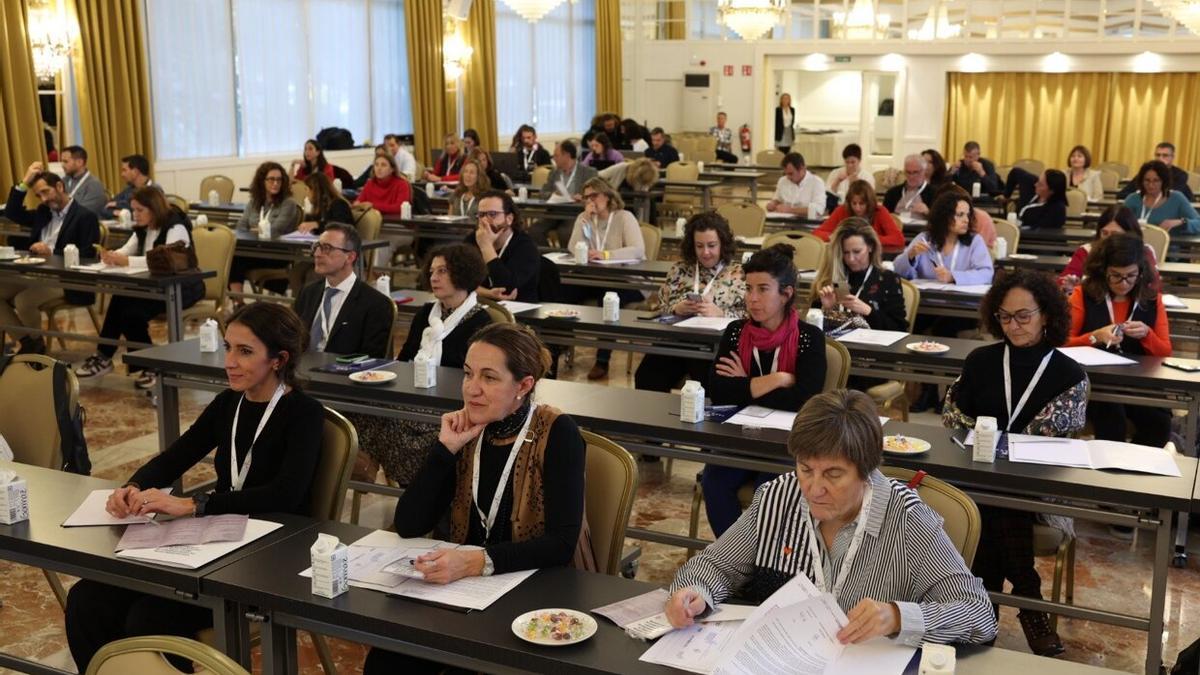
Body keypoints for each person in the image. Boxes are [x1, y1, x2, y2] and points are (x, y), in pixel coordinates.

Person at [64, 303, 322, 673]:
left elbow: (285, 495)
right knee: (86, 600)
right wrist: (132, 486)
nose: (230, 361)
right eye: (228, 347)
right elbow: (175, 457)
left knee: (148, 619)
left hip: (272, 551)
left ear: (279, 359)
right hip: (216, 539)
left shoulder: (304, 414)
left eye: (244, 351)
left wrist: (193, 505)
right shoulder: (228, 404)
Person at [669, 390, 996, 647]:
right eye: (805, 469)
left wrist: (898, 617)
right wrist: (694, 593)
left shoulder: (908, 519)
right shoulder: (778, 497)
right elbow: (714, 566)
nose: (814, 489)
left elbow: (978, 614)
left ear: (866, 469)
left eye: (833, 474)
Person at [362, 322, 594, 673]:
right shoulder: (467, 429)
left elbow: (561, 544)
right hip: (468, 591)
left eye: (489, 378)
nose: (472, 389)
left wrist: (473, 562)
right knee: (387, 660)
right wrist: (445, 451)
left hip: (536, 589)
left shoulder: (557, 432)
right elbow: (410, 523)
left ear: (524, 385)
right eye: (468, 374)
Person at [942, 269, 1087, 656]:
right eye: (1005, 317)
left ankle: (982, 613)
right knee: (993, 501)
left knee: (998, 503)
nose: (1014, 325)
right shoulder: (980, 360)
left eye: (1024, 316)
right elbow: (953, 417)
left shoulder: (1070, 375)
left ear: (1047, 316)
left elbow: (1048, 443)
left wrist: (991, 438)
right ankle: (1028, 600)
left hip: (1036, 491)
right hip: (978, 480)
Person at [703, 243, 827, 536]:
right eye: (748, 289)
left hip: (787, 444)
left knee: (768, 491)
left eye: (763, 289)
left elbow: (804, 400)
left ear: (786, 293)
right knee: (713, 481)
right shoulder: (735, 332)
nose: (752, 299)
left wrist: (744, 383)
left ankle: (761, 566)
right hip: (739, 435)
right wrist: (779, 379)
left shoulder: (809, 338)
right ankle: (733, 561)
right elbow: (719, 390)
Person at [73, 188, 205, 385]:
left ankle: (149, 365)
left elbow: (168, 261)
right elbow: (127, 250)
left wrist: (127, 261)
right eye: (133, 210)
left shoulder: (175, 226)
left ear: (154, 208)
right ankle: (105, 356)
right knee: (119, 299)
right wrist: (112, 256)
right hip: (154, 288)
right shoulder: (143, 227)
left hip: (182, 289)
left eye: (140, 210)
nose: (135, 215)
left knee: (132, 314)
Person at [1065, 234, 1172, 446]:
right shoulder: (1082, 295)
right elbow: (1061, 343)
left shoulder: (1152, 300)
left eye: (1131, 276)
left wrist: (1147, 335)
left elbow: (1165, 351)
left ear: (1141, 272)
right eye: (1116, 276)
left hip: (1139, 383)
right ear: (1103, 271)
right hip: (1095, 383)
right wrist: (1094, 336)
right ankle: (1109, 476)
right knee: (1113, 421)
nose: (1123, 283)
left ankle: (1139, 472)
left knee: (1159, 423)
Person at [635, 212, 746, 393]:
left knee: (711, 384)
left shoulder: (739, 273)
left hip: (716, 346)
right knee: (646, 377)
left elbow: (751, 316)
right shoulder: (679, 269)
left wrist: (722, 313)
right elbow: (663, 304)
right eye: (699, 246)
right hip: (678, 340)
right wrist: (676, 308)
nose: (705, 252)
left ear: (723, 244)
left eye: (712, 245)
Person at [1, 165, 101, 354]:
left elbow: (88, 256)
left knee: (23, 301)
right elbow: (12, 213)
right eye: (39, 195)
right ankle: (29, 343)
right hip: (34, 274)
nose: (44, 199)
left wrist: (53, 251)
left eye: (46, 192)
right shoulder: (43, 212)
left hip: (66, 279)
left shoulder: (84, 217)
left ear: (60, 186)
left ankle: (33, 348)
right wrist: (24, 182)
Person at [564, 178, 646, 379]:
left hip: (627, 280)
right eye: (586, 197)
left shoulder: (624, 217)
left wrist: (607, 255)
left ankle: (602, 360)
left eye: (594, 195)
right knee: (562, 291)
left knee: (607, 299)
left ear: (608, 196)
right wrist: (583, 219)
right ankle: (559, 346)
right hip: (595, 277)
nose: (591, 201)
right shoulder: (585, 219)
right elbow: (572, 249)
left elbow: (637, 250)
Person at [294, 223, 393, 358]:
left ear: (350, 257)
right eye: (316, 247)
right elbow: (292, 339)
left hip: (342, 375)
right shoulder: (308, 293)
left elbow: (371, 360)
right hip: (301, 371)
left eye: (326, 248)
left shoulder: (376, 304)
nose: (317, 254)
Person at [813, 218, 907, 333]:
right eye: (845, 253)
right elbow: (811, 328)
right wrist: (827, 310)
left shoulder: (889, 279)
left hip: (872, 347)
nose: (851, 259)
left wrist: (868, 311)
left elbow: (899, 329)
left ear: (871, 247)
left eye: (857, 252)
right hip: (836, 346)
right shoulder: (829, 277)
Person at [229, 162, 302, 297]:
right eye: (271, 179)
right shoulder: (255, 202)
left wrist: (254, 229)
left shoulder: (288, 203)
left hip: (277, 253)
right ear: (262, 181)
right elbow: (241, 226)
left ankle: (237, 303)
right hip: (255, 250)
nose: (275, 183)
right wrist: (257, 230)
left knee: (235, 259)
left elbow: (275, 230)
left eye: (279, 180)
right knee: (231, 256)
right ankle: (237, 302)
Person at [893, 191, 994, 287]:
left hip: (963, 301)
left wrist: (953, 277)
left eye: (968, 215)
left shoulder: (975, 241)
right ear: (944, 216)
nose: (966, 220)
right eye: (960, 215)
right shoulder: (925, 238)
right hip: (928, 300)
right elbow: (897, 270)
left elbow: (987, 274)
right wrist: (910, 256)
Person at [1059, 205, 1159, 293]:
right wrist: (1069, 285)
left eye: (1115, 234)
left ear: (1130, 234)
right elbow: (1063, 281)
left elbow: (1154, 287)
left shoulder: (1144, 251)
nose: (1108, 239)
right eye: (1105, 233)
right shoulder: (1086, 251)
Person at [467, 191, 540, 302]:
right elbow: (456, 281)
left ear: (509, 219)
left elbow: (506, 289)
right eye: (481, 215)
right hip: (478, 304)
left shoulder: (525, 246)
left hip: (517, 311)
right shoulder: (473, 239)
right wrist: (487, 293)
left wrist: (486, 247)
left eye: (492, 214)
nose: (484, 220)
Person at [532, 140, 597, 247]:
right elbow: (543, 193)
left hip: (575, 213)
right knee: (534, 231)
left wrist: (583, 197)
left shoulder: (588, 172)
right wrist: (554, 195)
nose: (553, 158)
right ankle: (548, 258)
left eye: (556, 155)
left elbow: (596, 194)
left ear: (566, 155)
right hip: (555, 211)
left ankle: (568, 260)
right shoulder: (554, 172)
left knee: (565, 233)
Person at [813, 179, 904, 247]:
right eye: (854, 203)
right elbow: (817, 233)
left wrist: (868, 239)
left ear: (869, 202)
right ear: (849, 202)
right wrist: (835, 237)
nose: (857, 208)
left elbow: (898, 239)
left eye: (861, 204)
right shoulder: (842, 210)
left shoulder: (880, 211)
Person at [1122, 160, 1200, 233]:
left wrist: (1181, 222)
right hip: (1137, 245)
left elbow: (1198, 223)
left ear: (1164, 181)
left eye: (1156, 181)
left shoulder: (1177, 198)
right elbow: (1119, 224)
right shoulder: (1132, 199)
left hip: (1169, 245)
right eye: (1147, 180)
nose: (1151, 185)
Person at [1117, 142, 1194, 202]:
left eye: (1165, 155)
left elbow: (1171, 196)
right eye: (1158, 155)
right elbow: (1122, 194)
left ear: (1172, 157)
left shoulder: (1180, 175)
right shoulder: (1146, 173)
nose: (1160, 158)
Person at [766, 152, 826, 216]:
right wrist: (772, 204)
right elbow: (777, 199)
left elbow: (818, 210)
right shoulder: (783, 180)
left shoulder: (816, 182)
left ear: (802, 169)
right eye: (785, 173)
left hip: (807, 223)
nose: (788, 177)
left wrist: (790, 210)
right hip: (785, 222)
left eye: (791, 174)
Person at [58, 145, 108, 216]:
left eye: (66, 161)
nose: (62, 165)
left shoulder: (94, 185)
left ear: (79, 162)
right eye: (62, 161)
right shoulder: (64, 180)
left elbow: (83, 213)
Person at [883, 154, 935, 218]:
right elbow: (883, 217)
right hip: (897, 227)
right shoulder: (892, 193)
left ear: (924, 172)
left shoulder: (935, 193)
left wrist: (928, 212)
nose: (911, 176)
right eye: (908, 172)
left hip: (921, 227)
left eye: (915, 172)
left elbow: (941, 221)